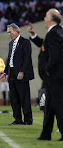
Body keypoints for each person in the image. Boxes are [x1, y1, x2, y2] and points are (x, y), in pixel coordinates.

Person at [28, 9, 63, 141]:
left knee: (58, 104)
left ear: (51, 18)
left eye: (46, 15)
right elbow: (45, 46)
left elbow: (55, 55)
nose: (44, 18)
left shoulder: (54, 33)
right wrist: (34, 35)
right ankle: (46, 134)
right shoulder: (56, 32)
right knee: (49, 106)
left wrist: (48, 69)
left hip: (54, 76)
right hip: (53, 76)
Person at [0, 23, 34, 125]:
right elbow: (9, 60)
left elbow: (27, 59)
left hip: (21, 74)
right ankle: (18, 119)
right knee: (14, 98)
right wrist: (5, 72)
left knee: (24, 98)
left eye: (9, 32)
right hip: (11, 74)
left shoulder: (25, 42)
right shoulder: (11, 44)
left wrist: (22, 71)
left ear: (16, 31)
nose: (8, 34)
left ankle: (28, 120)